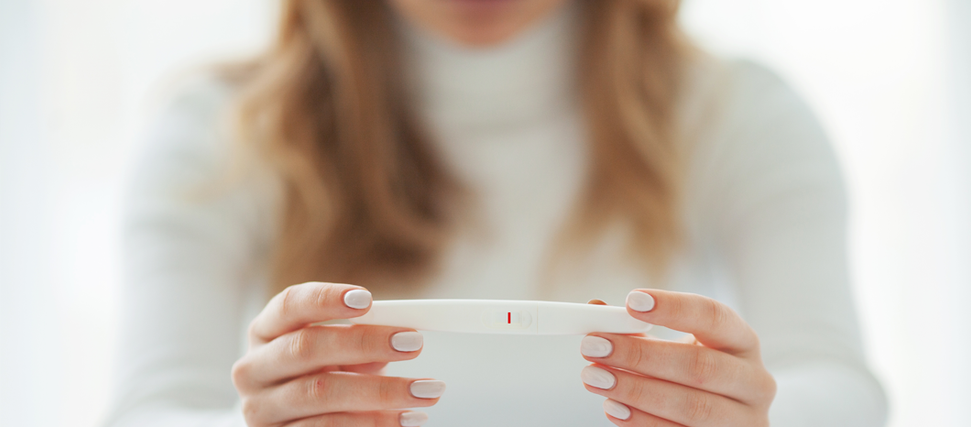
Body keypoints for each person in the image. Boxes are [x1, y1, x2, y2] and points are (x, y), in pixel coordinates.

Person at [103, 1, 888, 426]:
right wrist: (258, 424)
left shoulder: (739, 112)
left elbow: (842, 389)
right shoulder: (217, 131)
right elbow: (147, 410)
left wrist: (745, 414)